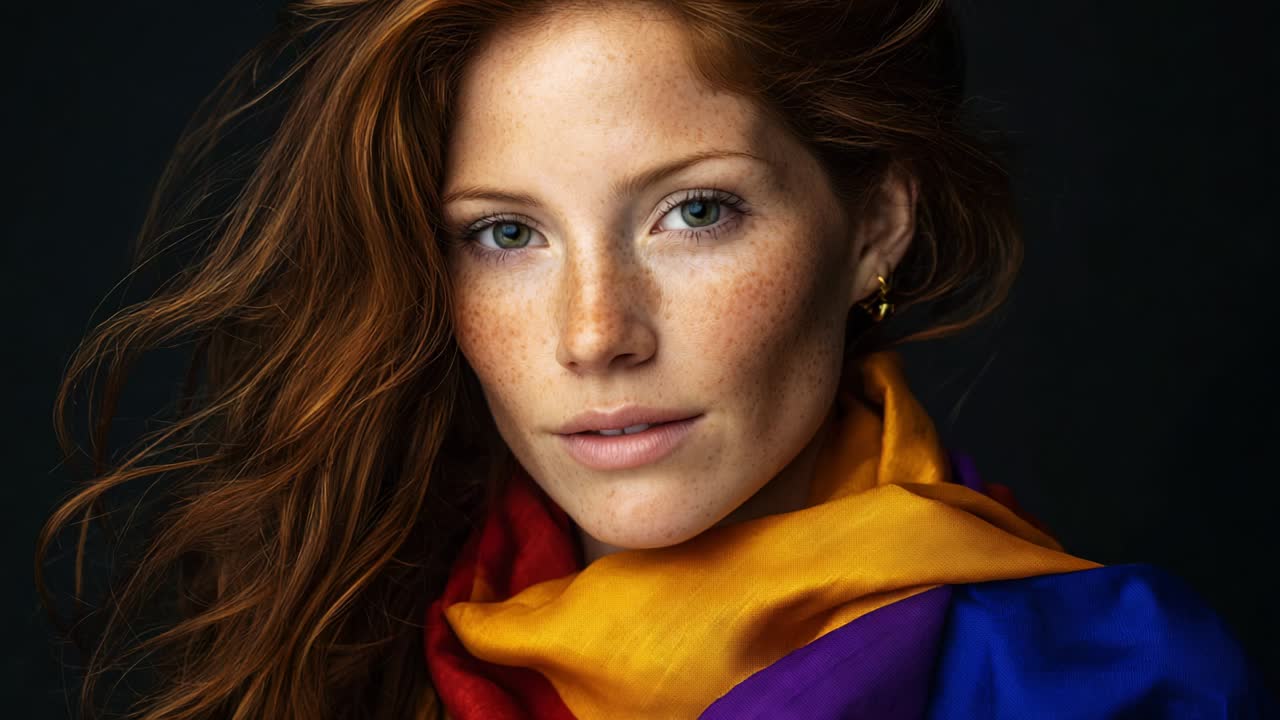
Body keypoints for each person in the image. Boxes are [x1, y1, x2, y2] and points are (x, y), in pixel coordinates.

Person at [36, 0, 1277, 718]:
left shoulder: (1111, 686)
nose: (592, 335)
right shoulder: (355, 640)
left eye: (693, 212)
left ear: (874, 225)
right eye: (505, 234)